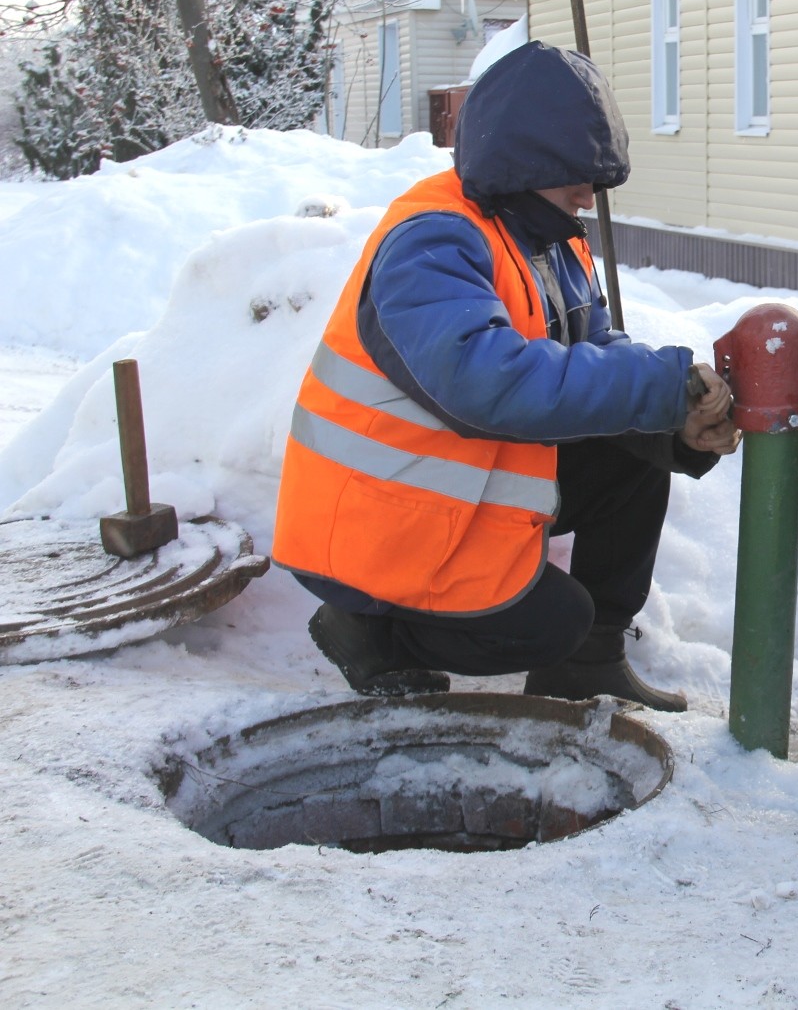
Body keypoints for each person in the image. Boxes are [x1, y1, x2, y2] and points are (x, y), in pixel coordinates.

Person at [272, 41, 737, 712]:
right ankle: (371, 628)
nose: (590, 189)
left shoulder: (546, 233)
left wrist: (677, 425)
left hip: (445, 490)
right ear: (523, 162)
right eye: (577, 171)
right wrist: (651, 387)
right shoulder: (432, 238)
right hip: (373, 530)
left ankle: (589, 665)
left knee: (637, 444)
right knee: (547, 623)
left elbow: (594, 348)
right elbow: (481, 381)